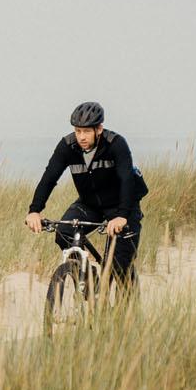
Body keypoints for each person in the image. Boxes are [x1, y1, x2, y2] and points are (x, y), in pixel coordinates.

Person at [24, 102, 147, 285]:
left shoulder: (116, 144)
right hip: (89, 204)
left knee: (119, 266)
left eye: (86, 131)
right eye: (78, 131)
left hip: (121, 204)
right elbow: (49, 178)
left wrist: (122, 216)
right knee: (64, 233)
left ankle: (121, 305)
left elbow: (126, 181)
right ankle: (87, 278)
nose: (81, 137)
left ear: (99, 129)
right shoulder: (68, 146)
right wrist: (34, 210)